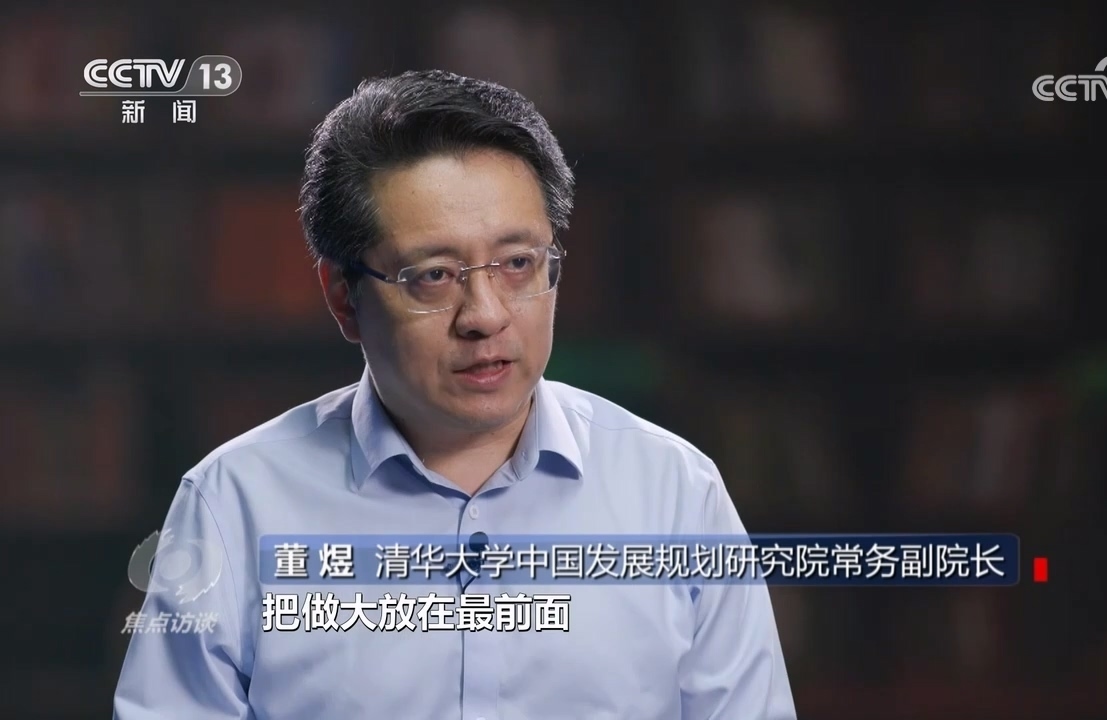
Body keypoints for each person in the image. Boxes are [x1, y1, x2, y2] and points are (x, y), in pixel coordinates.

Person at [112, 69, 797, 720]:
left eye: (518, 263)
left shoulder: (674, 492)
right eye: (434, 275)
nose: (486, 316)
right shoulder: (236, 503)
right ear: (344, 297)